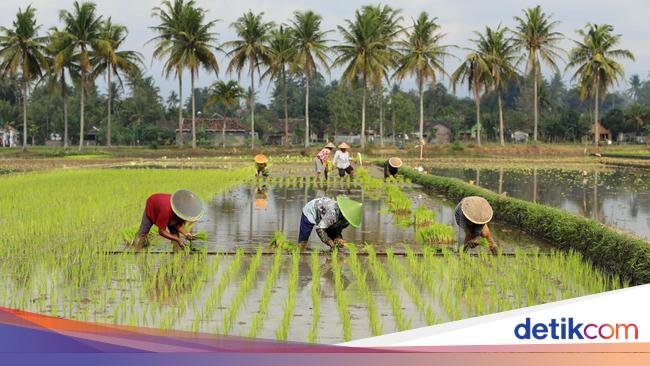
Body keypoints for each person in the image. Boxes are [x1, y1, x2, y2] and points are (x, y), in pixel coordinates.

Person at [133, 189, 205, 251]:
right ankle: (136, 251)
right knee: (143, 233)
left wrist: (186, 234)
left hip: (167, 210)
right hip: (152, 204)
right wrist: (178, 240)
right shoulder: (165, 211)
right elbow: (161, 231)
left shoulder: (182, 209)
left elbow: (176, 224)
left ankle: (175, 254)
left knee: (176, 235)